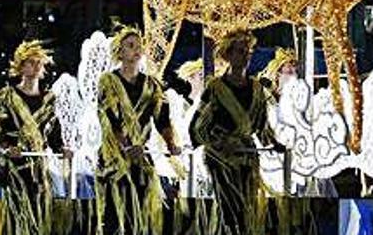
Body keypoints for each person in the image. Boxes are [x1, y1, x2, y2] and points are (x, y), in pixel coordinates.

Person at [190, 30, 285, 235]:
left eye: (248, 51)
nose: (246, 55)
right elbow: (197, 126)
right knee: (230, 210)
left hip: (247, 157)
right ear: (229, 55)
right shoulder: (214, 88)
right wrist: (220, 143)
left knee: (249, 209)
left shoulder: (257, 89)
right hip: (220, 158)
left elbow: (262, 125)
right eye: (241, 51)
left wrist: (275, 144)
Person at [95, 26, 181, 235]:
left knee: (141, 216)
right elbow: (109, 120)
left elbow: (162, 120)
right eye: (130, 46)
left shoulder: (152, 85)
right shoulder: (108, 81)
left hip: (141, 159)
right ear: (120, 52)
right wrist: (126, 147)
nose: (136, 50)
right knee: (114, 216)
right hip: (113, 159)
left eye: (139, 46)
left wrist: (170, 143)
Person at [0, 40, 68, 235]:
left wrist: (62, 148)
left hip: (39, 168)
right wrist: (6, 148)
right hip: (15, 169)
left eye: (39, 62)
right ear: (20, 66)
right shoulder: (7, 97)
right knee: (17, 218)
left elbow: (54, 133)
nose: (37, 66)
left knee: (40, 216)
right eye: (31, 62)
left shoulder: (49, 99)